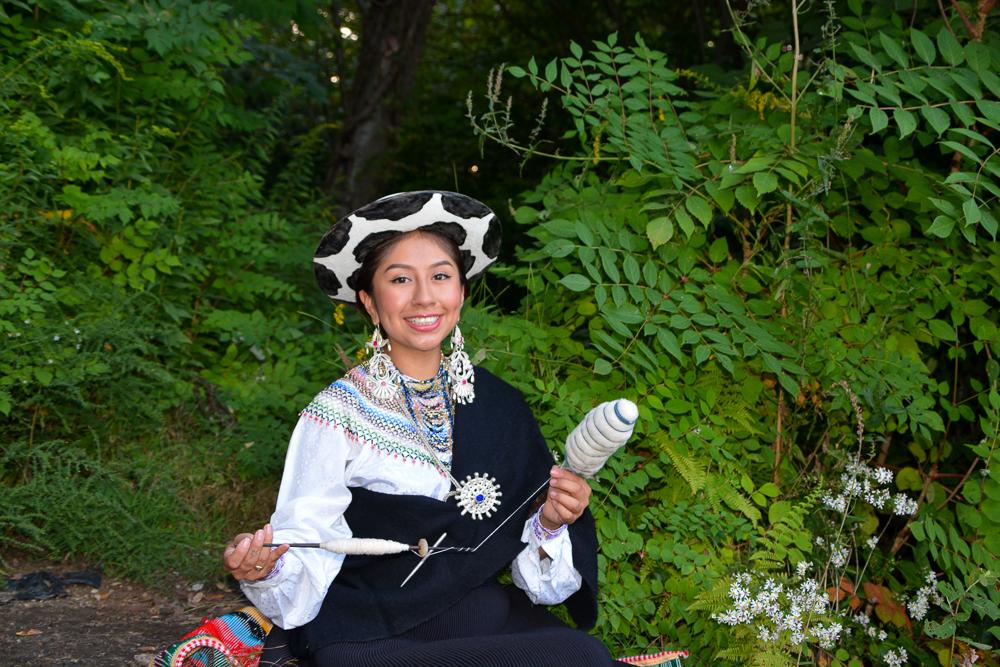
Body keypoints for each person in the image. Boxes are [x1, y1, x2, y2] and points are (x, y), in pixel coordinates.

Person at [222, 191, 622, 666]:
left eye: (440, 276)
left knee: (584, 655)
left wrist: (552, 523)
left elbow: (536, 581)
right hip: (365, 629)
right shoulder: (338, 413)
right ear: (370, 302)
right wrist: (266, 569)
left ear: (461, 292)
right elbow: (305, 540)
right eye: (400, 279)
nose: (424, 297)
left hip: (471, 614)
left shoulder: (501, 406)